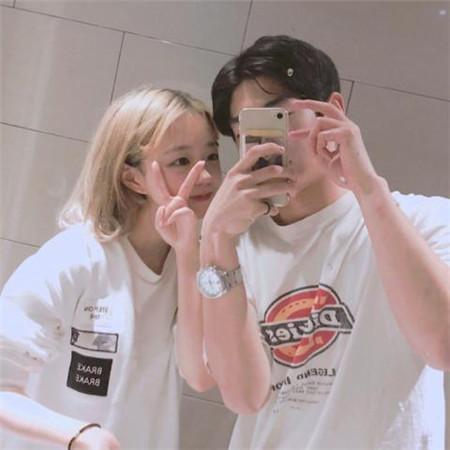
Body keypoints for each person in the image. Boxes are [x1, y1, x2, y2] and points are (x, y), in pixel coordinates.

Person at [197, 35, 450, 449]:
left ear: (331, 110)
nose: (266, 142)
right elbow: (244, 397)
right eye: (247, 128)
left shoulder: (424, 218)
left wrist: (368, 189)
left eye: (279, 117)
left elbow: (443, 345)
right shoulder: (233, 250)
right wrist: (214, 240)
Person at [0, 86, 219, 449]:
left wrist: (188, 254)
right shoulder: (72, 260)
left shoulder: (196, 265)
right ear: (133, 177)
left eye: (211, 155)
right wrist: (79, 435)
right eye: (182, 161)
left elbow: (198, 374)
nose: (206, 175)